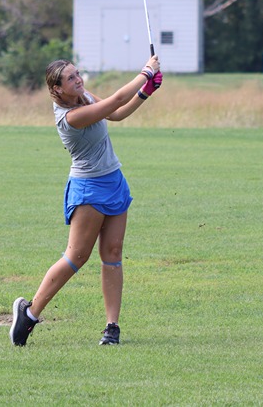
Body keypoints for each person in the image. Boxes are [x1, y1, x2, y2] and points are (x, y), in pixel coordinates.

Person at [9, 55, 163, 347]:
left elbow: (117, 113)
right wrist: (146, 72)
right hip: (88, 188)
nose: (78, 80)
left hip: (114, 181)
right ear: (57, 89)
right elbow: (117, 98)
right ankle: (29, 314)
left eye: (77, 74)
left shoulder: (84, 97)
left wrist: (145, 92)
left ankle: (112, 328)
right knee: (76, 257)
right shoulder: (70, 118)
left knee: (113, 253)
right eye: (70, 78)